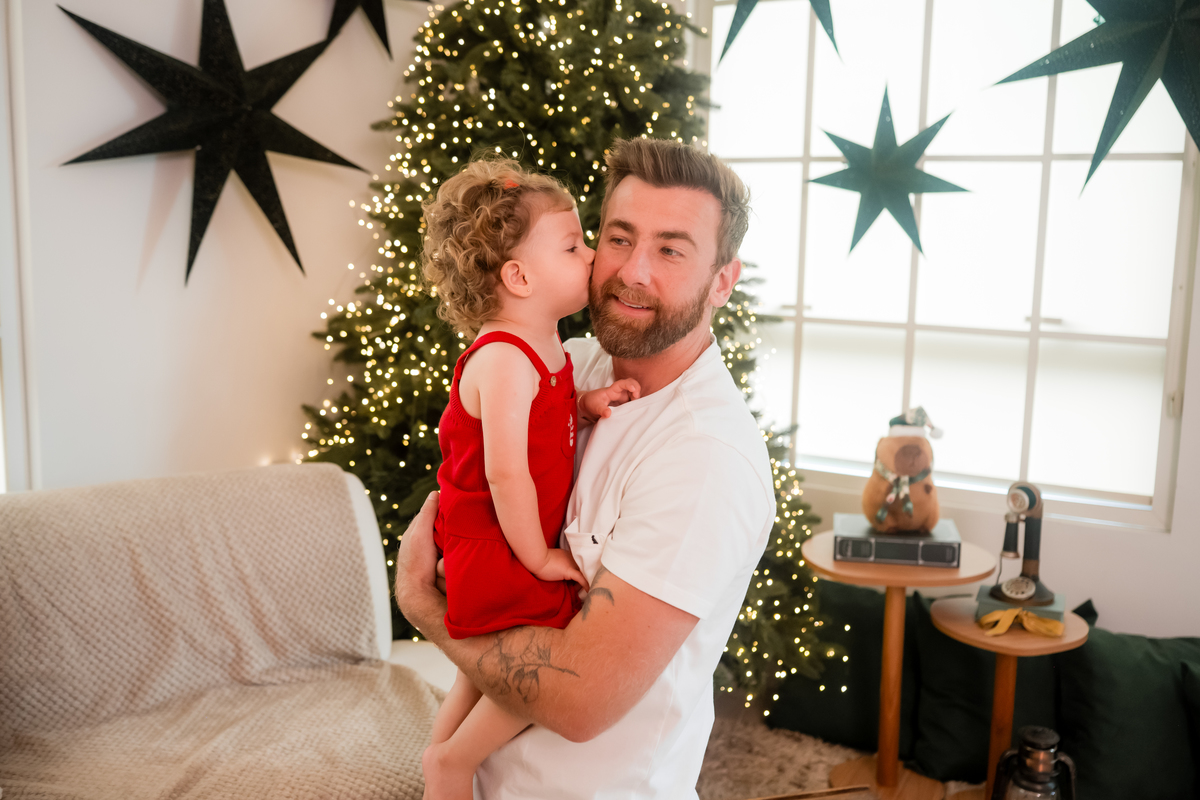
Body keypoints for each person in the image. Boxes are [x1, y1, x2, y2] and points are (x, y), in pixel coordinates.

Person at [395, 138, 775, 799]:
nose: (632, 271)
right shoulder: (571, 359)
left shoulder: (705, 459)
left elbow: (579, 702)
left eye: (671, 250)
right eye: (619, 238)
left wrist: (422, 604)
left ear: (722, 280)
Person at [417, 159, 641, 800]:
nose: (592, 255)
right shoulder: (502, 357)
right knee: (543, 646)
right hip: (498, 540)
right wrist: (539, 559)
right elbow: (506, 470)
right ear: (518, 277)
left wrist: (584, 407)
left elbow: (536, 423)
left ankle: (440, 754)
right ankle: (456, 760)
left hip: (504, 535)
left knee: (481, 666)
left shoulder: (543, 345)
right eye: (573, 247)